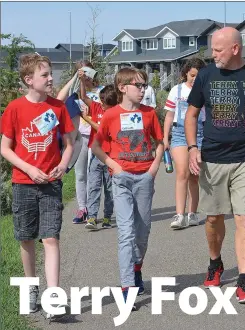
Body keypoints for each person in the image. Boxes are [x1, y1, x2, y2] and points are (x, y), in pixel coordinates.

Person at [185, 27, 245, 304]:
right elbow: (191, 115)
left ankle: (243, 279)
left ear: (235, 49)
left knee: (244, 217)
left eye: (217, 50)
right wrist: (193, 147)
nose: (212, 54)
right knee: (214, 219)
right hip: (213, 157)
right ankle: (215, 261)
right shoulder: (206, 75)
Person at [0, 54, 74, 320]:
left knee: (51, 237)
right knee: (26, 238)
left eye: (51, 73)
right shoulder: (15, 109)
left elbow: (69, 143)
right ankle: (31, 287)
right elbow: (5, 148)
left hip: (52, 184)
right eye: (45, 75)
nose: (51, 78)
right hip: (24, 183)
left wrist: (64, 164)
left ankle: (53, 297)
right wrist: (29, 168)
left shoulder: (57, 108)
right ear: (29, 80)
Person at [91, 67, 164, 305]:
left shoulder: (150, 113)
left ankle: (136, 267)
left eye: (144, 86)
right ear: (123, 88)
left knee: (142, 233)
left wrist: (153, 168)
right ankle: (126, 287)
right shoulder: (111, 115)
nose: (143, 90)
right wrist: (113, 165)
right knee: (125, 233)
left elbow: (160, 143)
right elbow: (97, 146)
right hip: (121, 179)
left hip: (144, 177)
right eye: (138, 86)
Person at [57, 60, 104, 224]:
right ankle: (82, 208)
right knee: (81, 174)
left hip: (97, 138)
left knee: (95, 175)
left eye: (89, 72)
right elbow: (60, 101)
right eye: (82, 73)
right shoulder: (73, 93)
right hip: (80, 137)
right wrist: (76, 81)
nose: (87, 76)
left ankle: (93, 209)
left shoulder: (101, 91)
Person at [163, 58, 206, 229]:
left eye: (198, 76)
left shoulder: (205, 90)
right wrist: (165, 137)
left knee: (195, 176)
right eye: (192, 75)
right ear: (185, 74)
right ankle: (179, 215)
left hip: (200, 133)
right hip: (179, 133)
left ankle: (192, 213)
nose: (195, 79)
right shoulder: (177, 90)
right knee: (182, 172)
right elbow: (169, 115)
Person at [78, 69, 118, 230]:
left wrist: (86, 118)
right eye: (101, 101)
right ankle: (92, 217)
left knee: (110, 189)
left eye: (105, 103)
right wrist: (82, 81)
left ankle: (108, 217)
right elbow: (84, 97)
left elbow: (102, 129)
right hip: (96, 155)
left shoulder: (115, 113)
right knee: (93, 186)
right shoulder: (97, 107)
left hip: (110, 157)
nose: (102, 104)